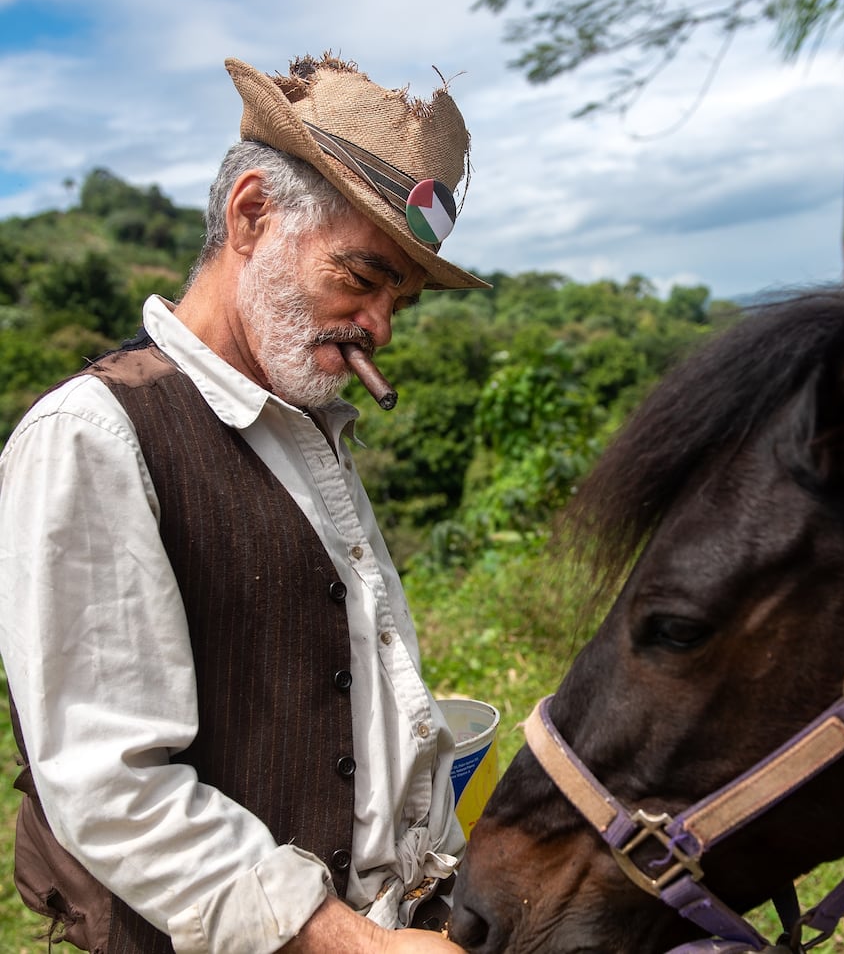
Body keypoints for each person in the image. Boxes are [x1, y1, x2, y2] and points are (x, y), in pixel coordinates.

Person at [0, 51, 491, 954]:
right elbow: (111, 785)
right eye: (361, 277)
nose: (380, 327)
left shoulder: (302, 424)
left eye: (401, 299)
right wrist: (353, 944)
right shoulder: (94, 436)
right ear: (252, 214)